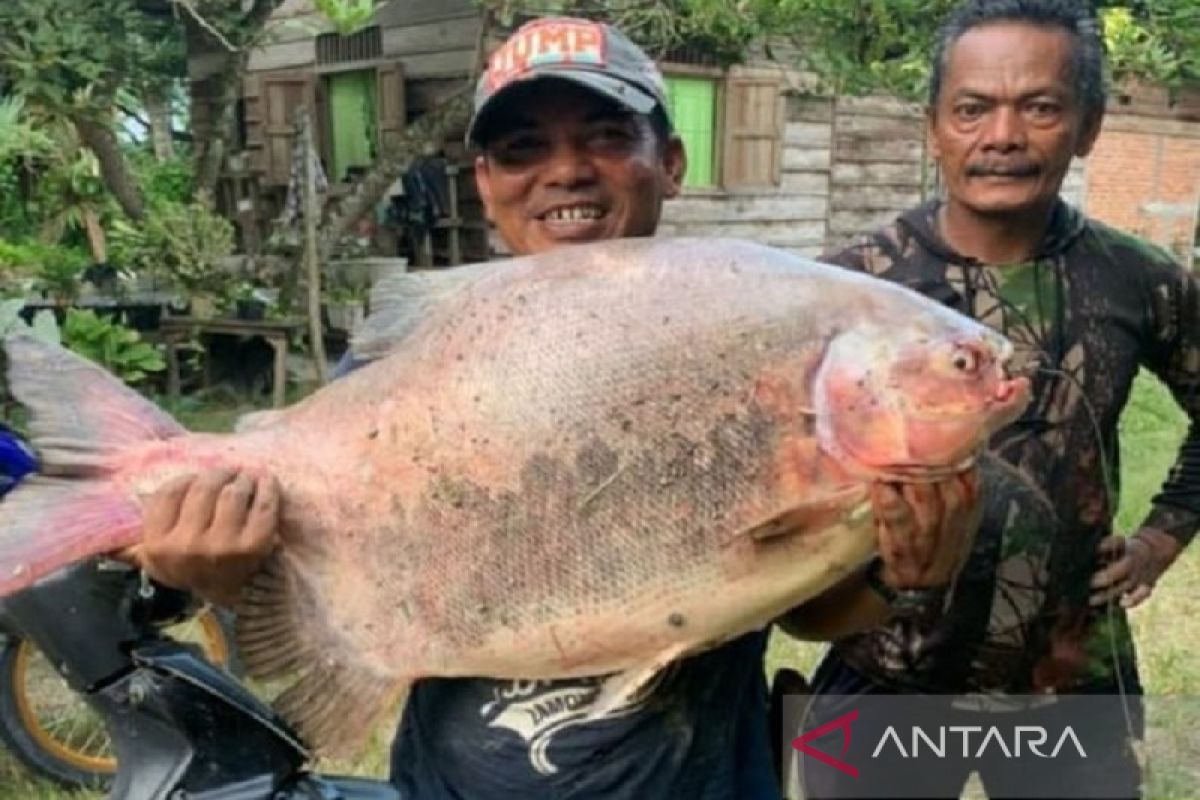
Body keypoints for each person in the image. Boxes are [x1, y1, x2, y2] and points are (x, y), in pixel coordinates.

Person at [127, 16, 975, 800]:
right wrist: (219, 573)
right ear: (486, 183)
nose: (566, 170)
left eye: (607, 137)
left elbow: (802, 606)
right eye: (524, 148)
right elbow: (316, 585)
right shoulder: (416, 359)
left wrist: (905, 575)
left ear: (671, 161)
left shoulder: (744, 325)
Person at [790, 1, 1200, 798]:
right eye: (972, 108)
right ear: (934, 126)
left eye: (1040, 107)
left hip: (1072, 678)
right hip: (885, 667)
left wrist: (1161, 536)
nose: (1003, 135)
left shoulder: (1138, 279)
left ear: (1088, 127)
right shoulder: (848, 289)